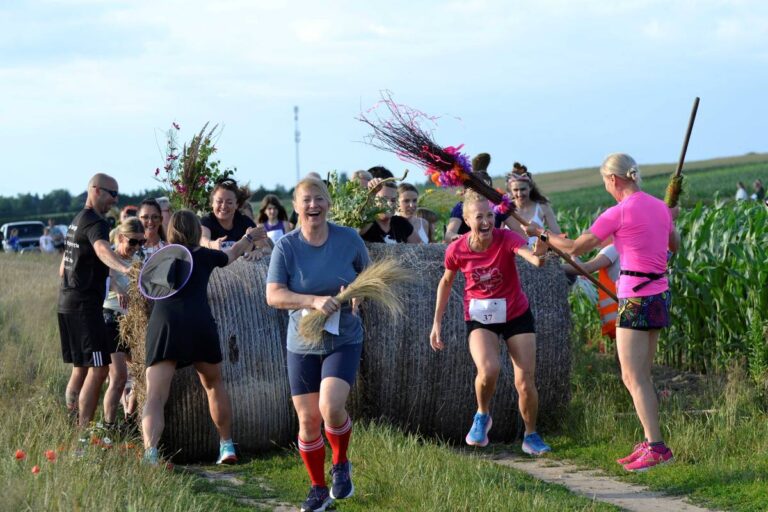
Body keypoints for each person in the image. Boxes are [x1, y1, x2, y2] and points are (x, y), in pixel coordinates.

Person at [524, 153, 680, 472]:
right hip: (658, 297)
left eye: (604, 182)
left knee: (631, 376)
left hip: (635, 298)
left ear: (613, 179)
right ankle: (652, 442)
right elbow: (674, 245)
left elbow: (574, 248)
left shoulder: (618, 212)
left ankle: (659, 448)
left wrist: (542, 234)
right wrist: (670, 217)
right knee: (642, 376)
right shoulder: (658, 207)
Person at [266, 176, 369, 512]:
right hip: (302, 341)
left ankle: (340, 463)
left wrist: (356, 295)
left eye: (320, 199)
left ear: (328, 204)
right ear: (296, 207)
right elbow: (274, 295)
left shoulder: (349, 239)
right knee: (308, 421)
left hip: (343, 338)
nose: (314, 205)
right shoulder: (286, 247)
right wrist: (312, 300)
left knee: (330, 407)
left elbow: (367, 278)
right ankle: (318, 490)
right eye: (306, 200)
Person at [430, 190, 552, 455]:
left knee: (524, 381)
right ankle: (482, 414)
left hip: (516, 314)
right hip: (480, 318)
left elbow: (536, 261)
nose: (486, 221)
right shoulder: (457, 248)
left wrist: (541, 238)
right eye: (479, 217)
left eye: (490, 215)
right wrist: (436, 322)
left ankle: (531, 435)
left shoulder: (506, 237)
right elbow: (446, 282)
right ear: (466, 220)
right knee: (488, 369)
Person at [142, 210, 266, 466]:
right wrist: (248, 237)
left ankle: (151, 453)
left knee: (155, 395)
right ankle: (226, 446)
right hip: (198, 321)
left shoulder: (159, 258)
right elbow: (231, 255)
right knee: (213, 384)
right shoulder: (204, 255)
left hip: (164, 324)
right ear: (196, 231)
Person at [58, 173, 132, 433]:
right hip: (85, 307)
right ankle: (81, 437)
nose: (115, 200)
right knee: (100, 370)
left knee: (81, 369)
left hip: (66, 302)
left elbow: (62, 268)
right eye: (112, 193)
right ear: (96, 190)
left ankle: (71, 425)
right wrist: (124, 268)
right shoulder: (96, 223)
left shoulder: (76, 222)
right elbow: (102, 250)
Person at [102, 217, 145, 431]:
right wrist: (117, 288)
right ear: (121, 238)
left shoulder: (138, 260)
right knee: (118, 377)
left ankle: (129, 419)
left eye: (141, 242)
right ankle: (108, 426)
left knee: (141, 371)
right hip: (111, 318)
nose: (136, 247)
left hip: (132, 320)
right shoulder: (108, 257)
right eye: (132, 242)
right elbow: (107, 275)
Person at [444, 161, 524, 242]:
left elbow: (521, 234)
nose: (482, 193)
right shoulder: (460, 207)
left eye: (485, 189)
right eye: (477, 189)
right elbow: (449, 234)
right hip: (467, 248)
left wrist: (505, 245)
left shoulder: (498, 207)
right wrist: (460, 239)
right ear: (466, 191)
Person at [507, 162, 561, 247]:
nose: (519, 193)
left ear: (530, 187)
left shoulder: (542, 206)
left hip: (537, 255)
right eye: (515, 190)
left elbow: (557, 235)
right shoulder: (505, 209)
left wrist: (542, 238)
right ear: (510, 189)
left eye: (523, 189)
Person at [200, 178, 257, 250]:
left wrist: (258, 251)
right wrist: (212, 244)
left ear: (237, 204)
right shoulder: (207, 221)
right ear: (212, 203)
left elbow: (265, 246)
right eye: (219, 201)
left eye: (229, 202)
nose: (223, 206)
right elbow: (203, 240)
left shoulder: (245, 221)